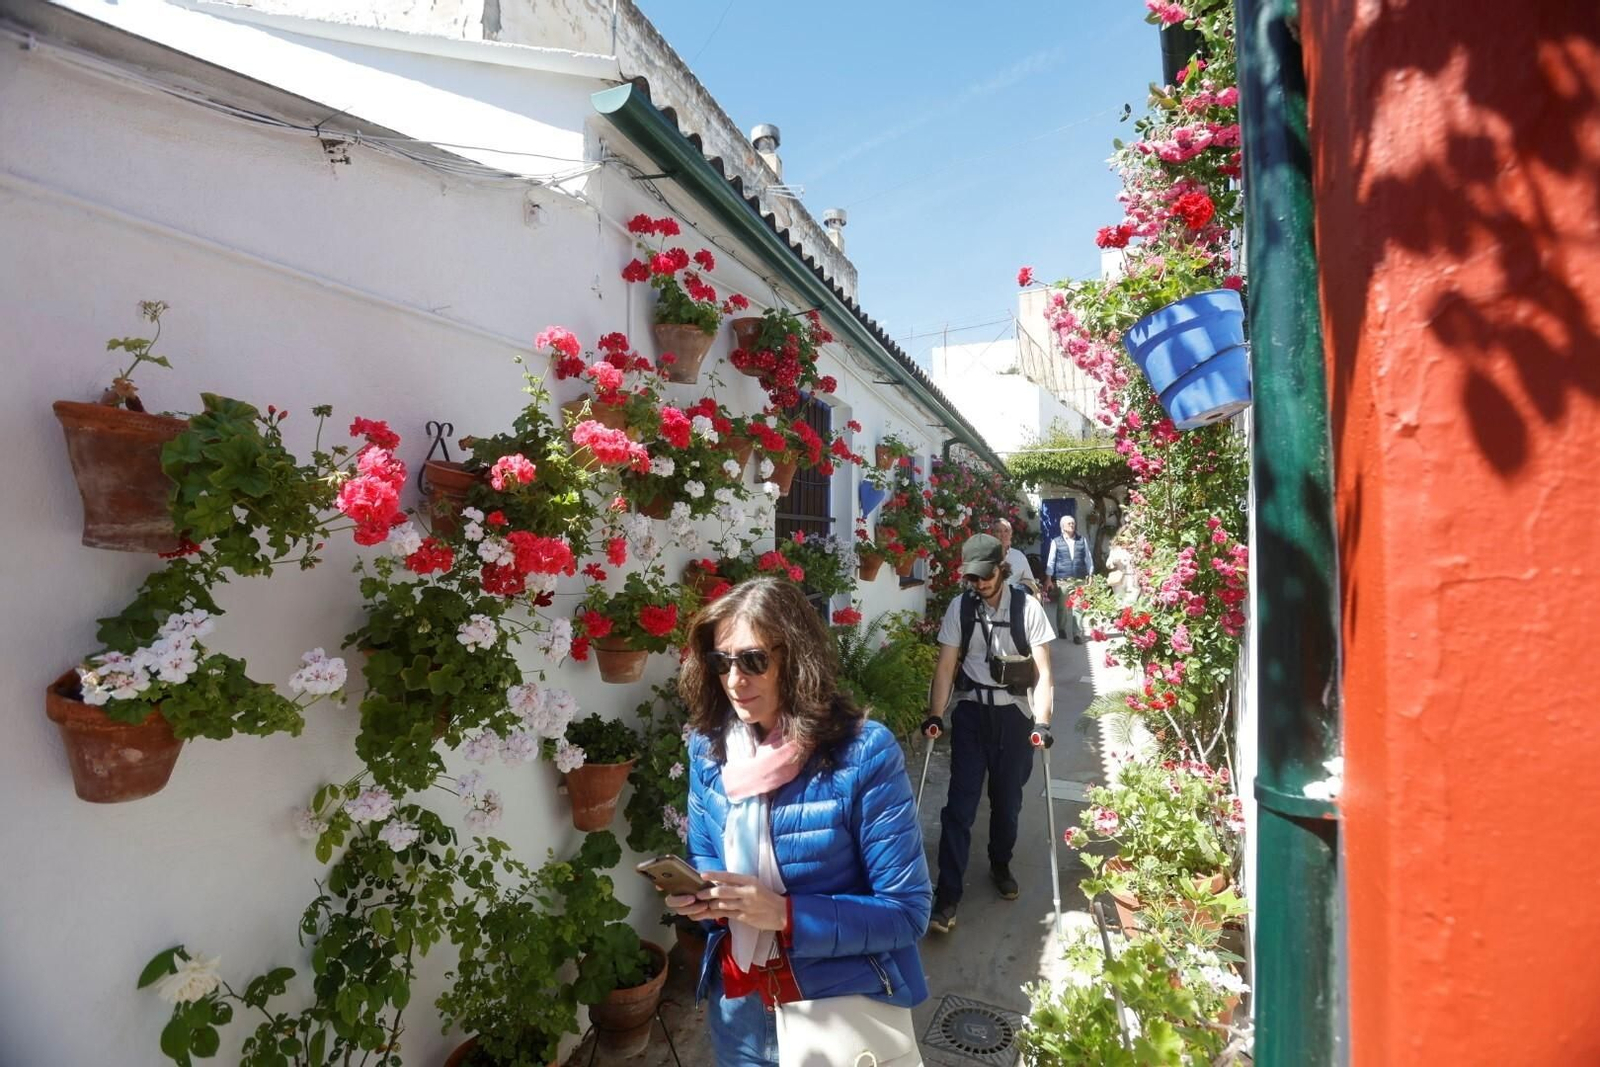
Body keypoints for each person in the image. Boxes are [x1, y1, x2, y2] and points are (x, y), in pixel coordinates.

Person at [668, 576, 931, 1067]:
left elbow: (906, 911)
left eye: (753, 661)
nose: (734, 681)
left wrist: (785, 915)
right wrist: (707, 898)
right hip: (740, 1007)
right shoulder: (710, 752)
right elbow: (705, 854)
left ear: (796, 658)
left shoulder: (862, 753)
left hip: (835, 1008)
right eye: (720, 663)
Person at [919, 534, 1055, 934]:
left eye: (985, 576)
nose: (978, 584)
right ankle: (947, 899)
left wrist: (1043, 723)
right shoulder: (959, 607)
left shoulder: (1027, 608)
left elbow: (1045, 674)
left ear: (1002, 569)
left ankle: (1000, 862)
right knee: (958, 808)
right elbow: (946, 667)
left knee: (1006, 802)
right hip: (972, 715)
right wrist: (934, 714)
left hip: (1014, 717)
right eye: (972, 577)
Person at [1044, 514, 1094, 643]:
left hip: (1079, 579)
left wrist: (1090, 574)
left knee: (1078, 607)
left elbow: (1087, 558)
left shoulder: (1081, 540)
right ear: (1062, 527)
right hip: (1063, 579)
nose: (1072, 525)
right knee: (1062, 607)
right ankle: (1061, 628)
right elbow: (1051, 560)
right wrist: (1048, 578)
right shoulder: (1056, 542)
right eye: (1069, 523)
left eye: (1073, 523)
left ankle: (1077, 634)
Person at [990, 518, 1039, 598]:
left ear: (1011, 534)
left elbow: (1030, 581)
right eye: (999, 531)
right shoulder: (986, 555)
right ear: (992, 534)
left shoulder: (1019, 556)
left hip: (1015, 601)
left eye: (1006, 531)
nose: (1003, 535)